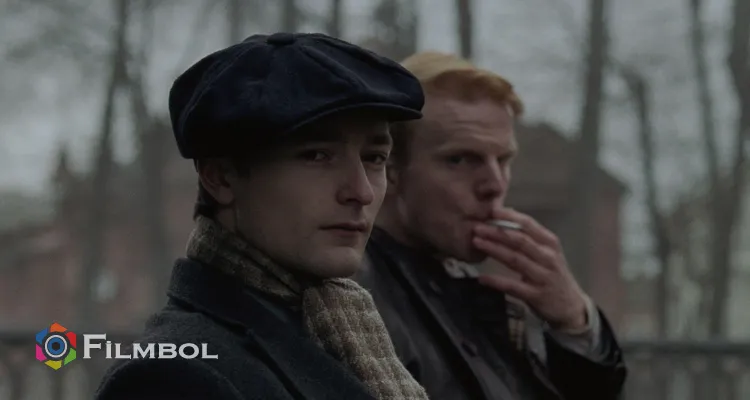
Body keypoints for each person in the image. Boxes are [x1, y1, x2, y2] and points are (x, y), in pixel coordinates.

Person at [95, 33, 429, 400]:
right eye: (317, 155)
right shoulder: (172, 377)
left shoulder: (342, 330)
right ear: (221, 177)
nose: (361, 192)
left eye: (374, 158)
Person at [354, 51, 627, 400]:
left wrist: (574, 322)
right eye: (460, 159)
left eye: (503, 160)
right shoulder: (354, 297)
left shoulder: (476, 293)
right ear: (389, 168)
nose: (495, 184)